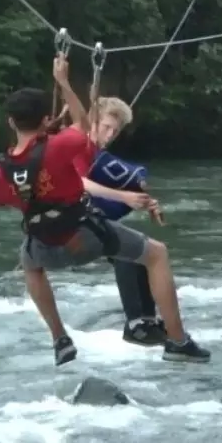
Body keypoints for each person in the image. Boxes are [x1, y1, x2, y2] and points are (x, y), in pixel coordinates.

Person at [0, 54, 210, 366]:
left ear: (11, 122)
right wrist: (63, 83)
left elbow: (9, 200)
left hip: (44, 246)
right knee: (156, 253)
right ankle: (178, 341)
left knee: (29, 263)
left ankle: (60, 338)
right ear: (44, 120)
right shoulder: (60, 146)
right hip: (84, 238)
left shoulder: (0, 171)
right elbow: (82, 125)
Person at [85, 96, 166, 347]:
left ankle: (148, 320)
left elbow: (120, 177)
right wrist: (124, 196)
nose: (109, 134)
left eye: (115, 130)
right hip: (66, 220)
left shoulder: (99, 155)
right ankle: (134, 324)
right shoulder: (76, 147)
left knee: (143, 251)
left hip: (88, 216)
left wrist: (142, 199)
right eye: (106, 127)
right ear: (92, 121)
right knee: (124, 251)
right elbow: (79, 181)